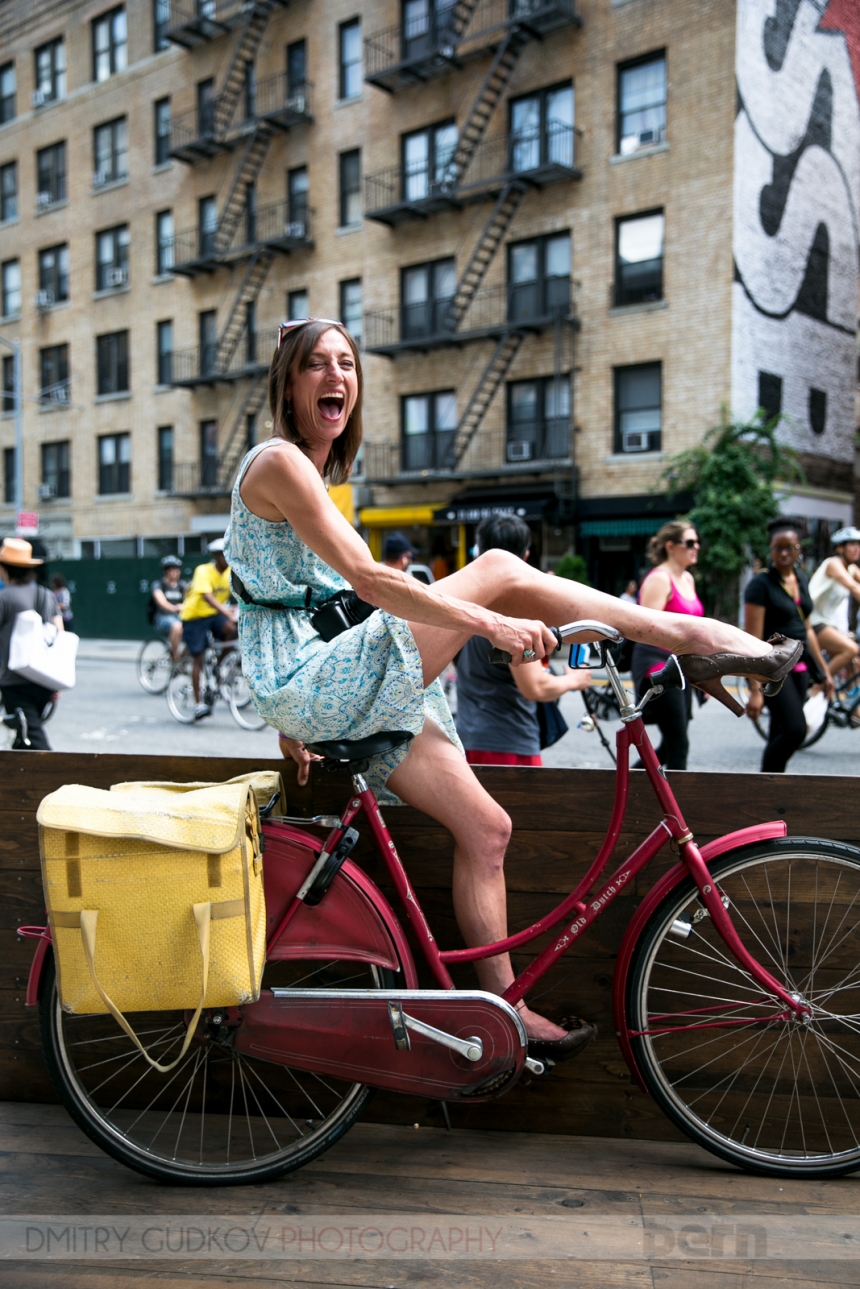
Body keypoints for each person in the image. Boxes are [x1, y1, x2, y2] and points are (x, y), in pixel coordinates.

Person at [225, 317, 794, 1059]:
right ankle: (692, 636)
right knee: (497, 566)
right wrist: (487, 624)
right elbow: (370, 583)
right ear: (289, 387)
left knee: (488, 829)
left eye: (347, 364)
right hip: (316, 679)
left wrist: (292, 718)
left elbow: (304, 603)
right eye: (316, 366)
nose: (336, 376)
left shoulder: (320, 480)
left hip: (325, 681)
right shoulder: (279, 462)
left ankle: (504, 1012)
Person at [455, 514, 592, 766]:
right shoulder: (513, 614)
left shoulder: (463, 603)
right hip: (507, 743)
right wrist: (572, 680)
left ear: (478, 553)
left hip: (468, 738)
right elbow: (535, 687)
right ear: (525, 556)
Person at [744, 519, 834, 772]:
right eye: (777, 548)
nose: (783, 553)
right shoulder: (760, 585)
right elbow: (751, 640)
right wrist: (753, 688)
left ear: (798, 549)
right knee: (795, 731)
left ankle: (770, 792)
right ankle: (762, 785)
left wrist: (824, 671)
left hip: (800, 666)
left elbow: (807, 629)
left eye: (789, 547)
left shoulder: (802, 579)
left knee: (779, 732)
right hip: (774, 669)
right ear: (770, 549)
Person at [630, 521, 703, 771]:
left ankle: (628, 784)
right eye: (690, 543)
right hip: (657, 663)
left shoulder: (688, 578)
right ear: (671, 546)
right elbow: (645, 628)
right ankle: (677, 808)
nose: (697, 547)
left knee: (669, 745)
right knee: (678, 744)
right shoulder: (659, 579)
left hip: (680, 665)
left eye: (697, 542)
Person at [0, 538, 63, 750]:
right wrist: (58, 680)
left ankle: (54, 777)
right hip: (44, 680)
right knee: (24, 734)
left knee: (33, 739)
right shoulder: (46, 595)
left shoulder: (4, 598)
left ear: (5, 568)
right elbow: (59, 634)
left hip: (15, 682)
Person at [179, 538, 238, 720]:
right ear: (215, 556)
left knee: (233, 630)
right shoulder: (203, 571)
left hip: (214, 615)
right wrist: (227, 613)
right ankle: (198, 704)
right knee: (198, 657)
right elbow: (207, 597)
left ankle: (219, 667)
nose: (227, 558)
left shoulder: (230, 572)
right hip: (195, 616)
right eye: (223, 554)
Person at [808, 526, 860, 681]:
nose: (857, 549)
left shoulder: (851, 568)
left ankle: (850, 705)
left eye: (858, 545)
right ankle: (820, 685)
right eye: (852, 544)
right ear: (839, 548)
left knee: (855, 663)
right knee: (850, 650)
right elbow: (853, 586)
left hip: (829, 623)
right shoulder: (833, 564)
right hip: (813, 622)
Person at [148, 555, 187, 661]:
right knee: (177, 626)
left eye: (178, 570)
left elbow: (191, 598)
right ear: (166, 571)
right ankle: (175, 657)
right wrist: (175, 608)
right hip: (162, 617)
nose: (176, 572)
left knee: (197, 633)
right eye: (173, 570)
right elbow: (161, 602)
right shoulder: (158, 585)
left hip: (179, 617)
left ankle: (182, 661)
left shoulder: (182, 585)